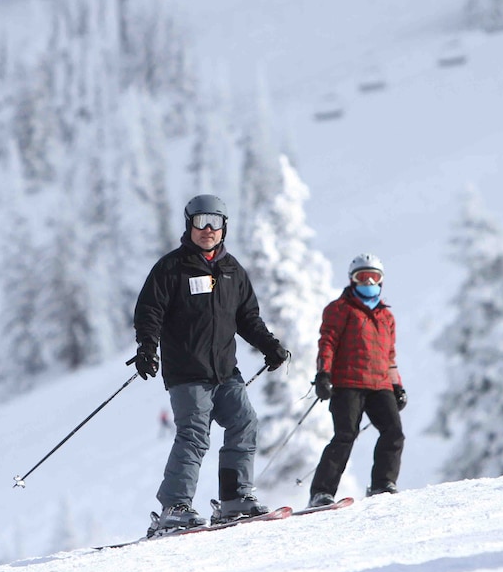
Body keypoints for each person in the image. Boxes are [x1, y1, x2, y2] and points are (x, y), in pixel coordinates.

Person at [129, 194, 289, 535]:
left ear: (224, 227)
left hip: (225, 372)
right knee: (194, 435)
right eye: (200, 221)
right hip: (188, 373)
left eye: (215, 222)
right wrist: (147, 348)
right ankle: (175, 506)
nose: (208, 229)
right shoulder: (172, 268)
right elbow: (149, 313)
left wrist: (269, 345)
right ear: (189, 225)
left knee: (244, 423)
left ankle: (233, 498)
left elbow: (248, 319)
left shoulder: (233, 272)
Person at [306, 254, 407, 508]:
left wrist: (397, 385)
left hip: (380, 384)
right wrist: (323, 374)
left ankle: (383, 484)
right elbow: (327, 342)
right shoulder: (340, 309)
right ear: (352, 280)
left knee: (393, 433)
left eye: (374, 277)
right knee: (345, 435)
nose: (369, 281)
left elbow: (390, 355)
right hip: (348, 383)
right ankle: (321, 492)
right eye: (363, 277)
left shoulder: (386, 317)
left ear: (382, 281)